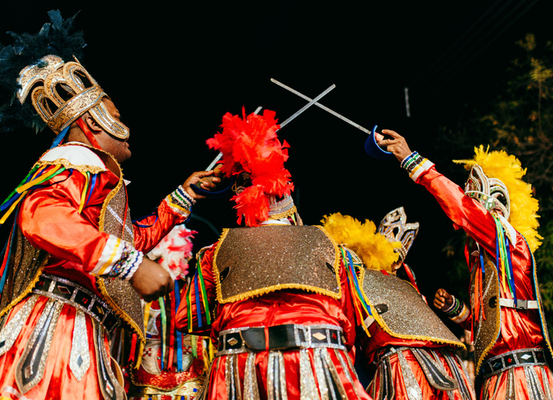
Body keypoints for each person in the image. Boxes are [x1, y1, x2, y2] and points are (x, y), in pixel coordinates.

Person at [0, 11, 218, 400]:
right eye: (118, 117)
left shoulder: (100, 177)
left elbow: (127, 239)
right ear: (94, 124)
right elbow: (43, 216)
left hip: (82, 324)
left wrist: (183, 197)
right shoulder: (72, 163)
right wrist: (132, 266)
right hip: (55, 326)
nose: (128, 128)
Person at [175, 108, 371, 400]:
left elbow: (189, 319)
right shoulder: (334, 250)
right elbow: (351, 323)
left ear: (242, 201)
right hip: (318, 361)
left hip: (240, 363)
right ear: (289, 201)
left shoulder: (214, 254)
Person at [375, 129, 553, 398]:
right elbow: (494, 326)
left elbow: (461, 208)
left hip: (521, 379)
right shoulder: (486, 261)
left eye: (477, 209)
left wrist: (411, 160)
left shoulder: (507, 240)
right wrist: (457, 310)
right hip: (496, 378)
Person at [321, 209, 475, 400]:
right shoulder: (357, 281)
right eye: (387, 252)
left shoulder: (410, 288)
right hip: (401, 364)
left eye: (398, 258)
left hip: (443, 362)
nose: (393, 261)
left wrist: (452, 306)